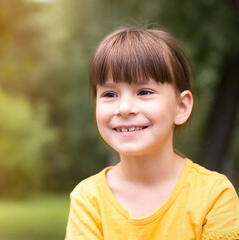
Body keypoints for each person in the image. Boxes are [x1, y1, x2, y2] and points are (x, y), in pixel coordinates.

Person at [65, 26, 239, 240]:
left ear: (181, 107)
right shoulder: (88, 199)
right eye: (110, 94)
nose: (125, 108)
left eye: (144, 92)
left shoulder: (214, 195)